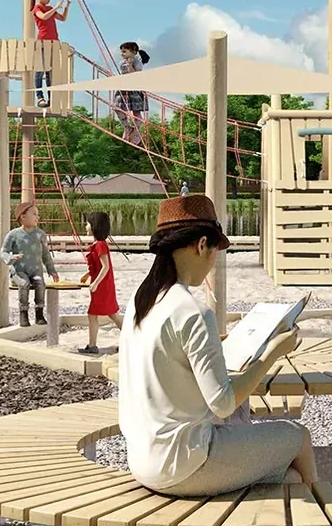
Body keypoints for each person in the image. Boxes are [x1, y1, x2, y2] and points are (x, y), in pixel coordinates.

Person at [119, 194, 317, 497]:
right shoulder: (192, 311)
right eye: (215, 250)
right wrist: (272, 352)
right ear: (201, 245)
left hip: (143, 458)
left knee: (290, 479)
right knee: (299, 437)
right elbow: (223, 403)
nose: (214, 260)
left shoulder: (141, 301)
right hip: (184, 463)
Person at [0, 202, 57, 327]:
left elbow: (46, 254)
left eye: (38, 214)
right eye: (34, 214)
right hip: (19, 271)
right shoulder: (13, 235)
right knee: (24, 283)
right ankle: (23, 313)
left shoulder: (40, 234)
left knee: (40, 283)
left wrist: (51, 270)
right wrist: (10, 258)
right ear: (23, 217)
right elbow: (2, 252)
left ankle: (39, 313)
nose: (38, 217)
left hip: (35, 271)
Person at [30, 0, 71, 108]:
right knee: (40, 71)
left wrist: (65, 7)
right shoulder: (37, 9)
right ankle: (39, 97)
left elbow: (62, 18)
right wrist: (56, 7)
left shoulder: (49, 9)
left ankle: (51, 97)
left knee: (50, 72)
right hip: (43, 43)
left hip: (54, 42)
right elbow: (43, 17)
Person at [83, 211, 118, 355]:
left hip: (102, 286)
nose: (86, 226)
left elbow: (105, 266)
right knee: (112, 313)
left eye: (88, 223)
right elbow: (98, 267)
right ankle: (131, 338)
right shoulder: (98, 244)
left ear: (94, 227)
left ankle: (92, 346)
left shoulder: (100, 245)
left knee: (94, 314)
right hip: (102, 284)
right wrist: (87, 275)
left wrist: (96, 283)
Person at [113, 42, 150, 144]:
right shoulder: (121, 63)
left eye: (124, 51)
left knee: (136, 113)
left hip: (134, 89)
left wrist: (129, 64)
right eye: (121, 52)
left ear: (133, 52)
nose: (122, 54)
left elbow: (134, 75)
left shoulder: (138, 62)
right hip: (124, 89)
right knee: (117, 107)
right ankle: (127, 128)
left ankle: (137, 133)